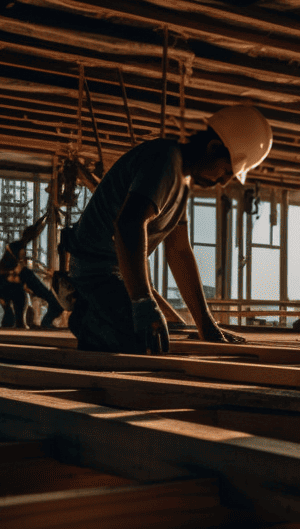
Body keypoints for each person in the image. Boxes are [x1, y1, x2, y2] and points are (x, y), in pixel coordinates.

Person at [64, 105, 272, 353]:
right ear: (213, 148)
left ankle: (104, 316)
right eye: (226, 170)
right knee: (143, 343)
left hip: (117, 276)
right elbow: (129, 224)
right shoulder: (165, 162)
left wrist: (205, 323)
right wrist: (143, 301)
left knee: (161, 335)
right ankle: (87, 317)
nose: (224, 181)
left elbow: (180, 251)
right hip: (94, 274)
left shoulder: (180, 180)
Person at [0, 210, 65, 329]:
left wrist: (45, 217)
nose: (24, 255)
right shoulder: (15, 252)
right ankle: (45, 318)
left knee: (16, 315)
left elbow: (33, 232)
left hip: (12, 286)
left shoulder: (14, 256)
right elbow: (32, 233)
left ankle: (26, 322)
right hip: (12, 285)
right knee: (15, 314)